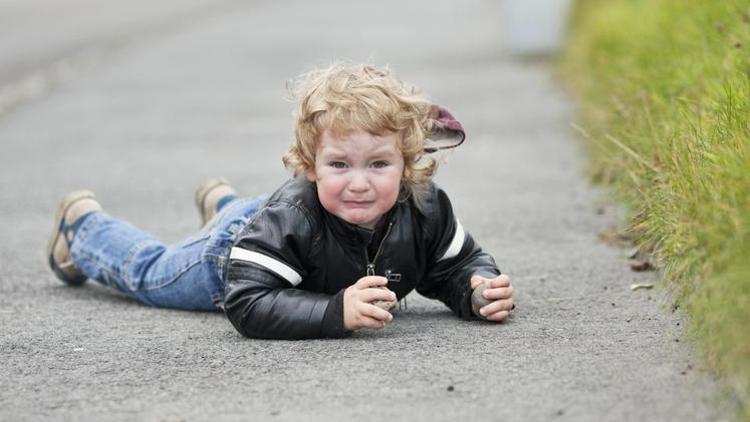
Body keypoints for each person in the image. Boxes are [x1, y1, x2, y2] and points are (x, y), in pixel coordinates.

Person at [46, 63, 515, 340]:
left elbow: (457, 263)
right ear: (309, 166)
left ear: (407, 165)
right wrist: (334, 312)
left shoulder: (425, 208)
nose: (358, 183)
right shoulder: (291, 217)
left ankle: (222, 203)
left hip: (263, 234)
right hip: (231, 256)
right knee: (149, 273)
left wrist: (479, 289)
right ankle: (84, 228)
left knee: (249, 222)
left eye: (377, 165)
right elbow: (247, 299)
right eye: (339, 165)